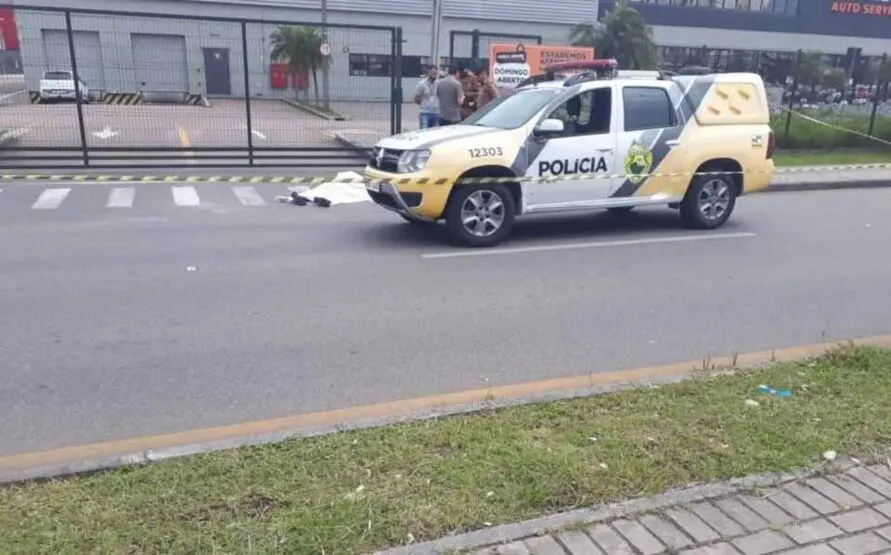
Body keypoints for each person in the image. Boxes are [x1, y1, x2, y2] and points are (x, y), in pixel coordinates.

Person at [414, 65, 440, 129]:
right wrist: (425, 104)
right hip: (425, 113)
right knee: (424, 132)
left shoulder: (439, 83)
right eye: (433, 73)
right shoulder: (421, 84)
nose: (435, 75)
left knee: (435, 133)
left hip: (436, 113)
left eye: (436, 73)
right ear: (428, 72)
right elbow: (416, 98)